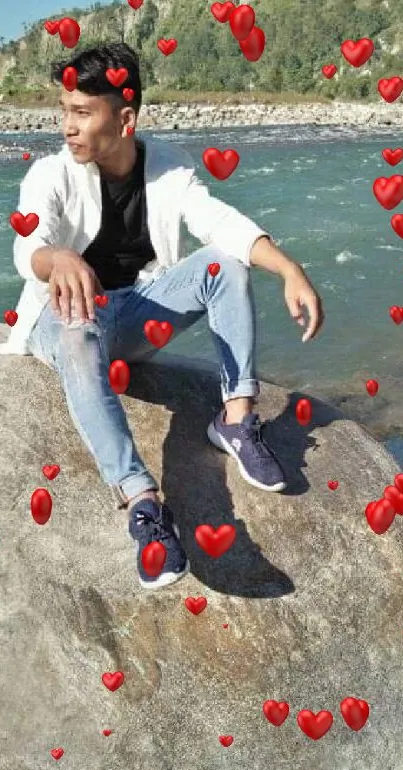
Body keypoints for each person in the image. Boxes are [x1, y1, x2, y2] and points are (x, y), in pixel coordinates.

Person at [2, 42, 325, 590]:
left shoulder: (169, 167)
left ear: (125, 118)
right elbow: (25, 247)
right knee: (79, 328)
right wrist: (55, 257)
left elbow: (218, 222)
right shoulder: (51, 174)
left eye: (83, 113)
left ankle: (234, 418)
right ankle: (143, 503)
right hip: (67, 324)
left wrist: (290, 269)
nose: (67, 126)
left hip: (134, 316)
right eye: (64, 111)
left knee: (224, 264)